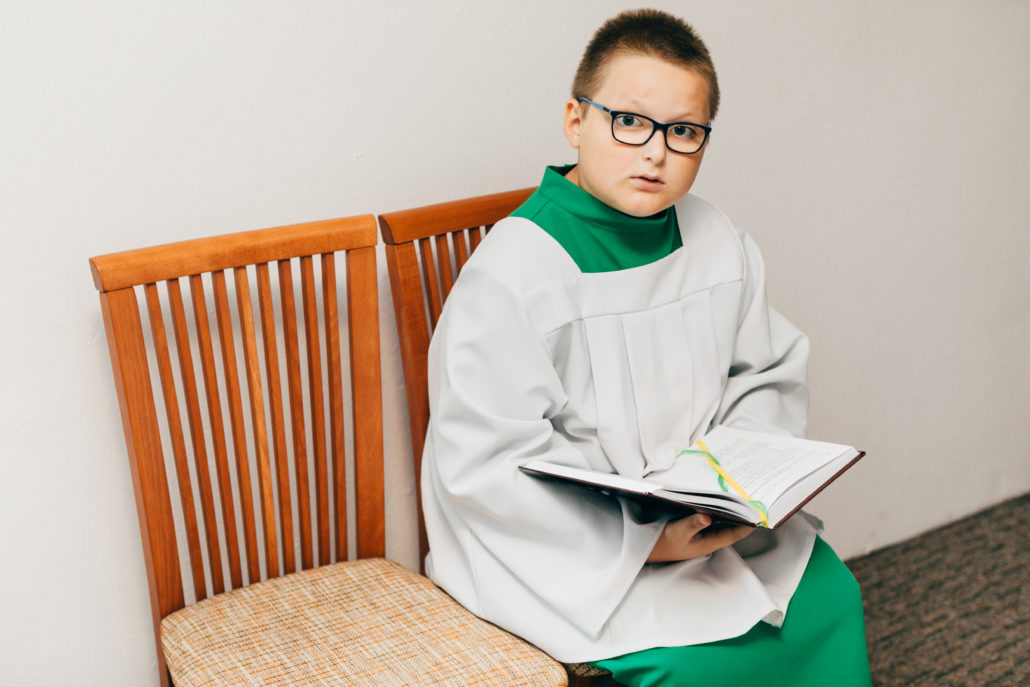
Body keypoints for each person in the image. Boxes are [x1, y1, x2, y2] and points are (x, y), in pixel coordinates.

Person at [420, 9, 872, 686]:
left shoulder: (715, 238)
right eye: (629, 121)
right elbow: (486, 465)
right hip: (579, 554)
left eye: (683, 131)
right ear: (576, 120)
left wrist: (735, 488)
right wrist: (645, 542)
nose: (655, 152)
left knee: (830, 599)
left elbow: (764, 374)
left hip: (709, 516)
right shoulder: (513, 273)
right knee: (700, 664)